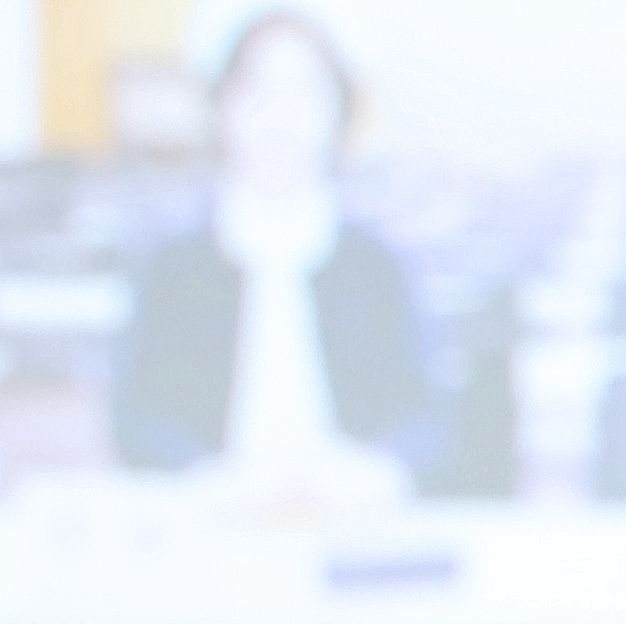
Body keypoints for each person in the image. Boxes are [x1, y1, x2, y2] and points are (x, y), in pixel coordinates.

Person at [111, 12, 444, 492]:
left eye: (303, 94)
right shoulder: (175, 266)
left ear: (338, 113)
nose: (280, 118)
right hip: (211, 513)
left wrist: (375, 471)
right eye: (258, 92)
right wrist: (202, 476)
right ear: (222, 107)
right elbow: (138, 418)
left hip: (349, 512)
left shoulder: (377, 265)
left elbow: (426, 418)